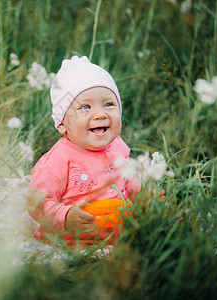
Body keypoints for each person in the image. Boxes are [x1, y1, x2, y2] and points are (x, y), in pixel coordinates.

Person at [27, 56, 141, 249]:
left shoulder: (118, 146)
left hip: (118, 236)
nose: (100, 114)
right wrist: (66, 217)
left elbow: (130, 179)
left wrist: (145, 197)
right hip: (73, 242)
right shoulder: (58, 160)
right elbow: (37, 203)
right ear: (62, 124)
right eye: (85, 107)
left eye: (108, 104)